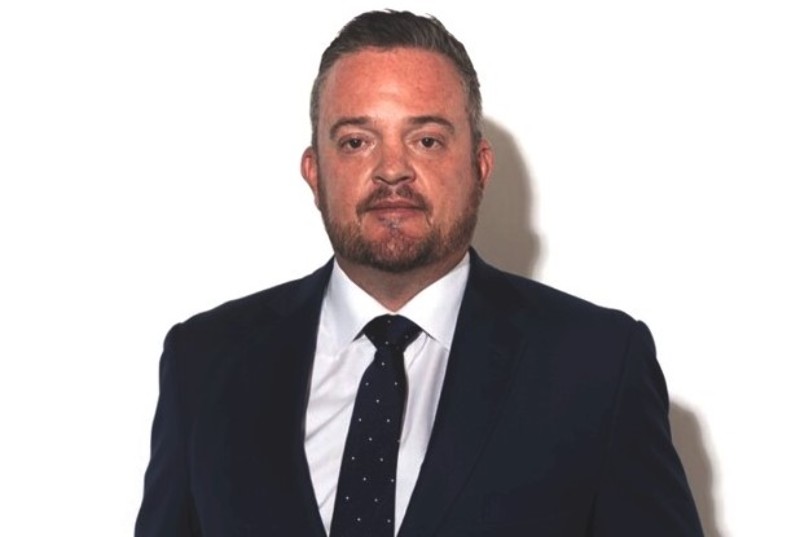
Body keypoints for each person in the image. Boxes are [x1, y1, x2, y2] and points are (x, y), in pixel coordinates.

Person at [135, 10, 703, 537]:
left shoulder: (598, 366)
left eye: (426, 140)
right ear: (315, 173)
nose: (392, 170)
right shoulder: (203, 363)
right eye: (356, 142)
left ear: (480, 166)